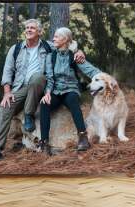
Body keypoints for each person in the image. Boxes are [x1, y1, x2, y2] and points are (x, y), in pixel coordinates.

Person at [0, 19, 86, 165]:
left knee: (37, 77)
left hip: (40, 86)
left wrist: (79, 51)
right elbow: (7, 72)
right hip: (20, 87)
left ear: (39, 32)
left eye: (32, 28)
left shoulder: (48, 46)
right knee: (5, 107)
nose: (28, 30)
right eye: (27, 28)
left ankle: (29, 114)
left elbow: (67, 46)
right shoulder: (16, 49)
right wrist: (7, 92)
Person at [39, 27, 102, 155]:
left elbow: (91, 70)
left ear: (65, 39)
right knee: (44, 104)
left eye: (56, 36)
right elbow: (50, 78)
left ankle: (83, 138)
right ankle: (44, 143)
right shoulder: (51, 56)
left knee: (73, 99)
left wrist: (104, 78)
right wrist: (47, 93)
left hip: (70, 89)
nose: (53, 39)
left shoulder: (74, 56)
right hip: (55, 91)